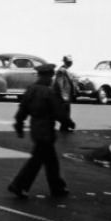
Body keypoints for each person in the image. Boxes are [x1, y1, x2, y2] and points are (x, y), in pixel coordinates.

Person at [8, 63, 71, 199]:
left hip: (35, 128)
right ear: (48, 76)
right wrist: (68, 122)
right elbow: (58, 111)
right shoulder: (48, 92)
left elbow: (22, 110)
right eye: (50, 76)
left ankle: (57, 187)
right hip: (46, 130)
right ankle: (19, 185)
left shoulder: (31, 90)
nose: (51, 79)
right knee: (37, 161)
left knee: (50, 161)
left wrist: (19, 124)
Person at [53, 55, 77, 133]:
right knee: (64, 112)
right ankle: (68, 125)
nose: (70, 63)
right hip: (64, 95)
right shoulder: (61, 70)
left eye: (71, 62)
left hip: (67, 94)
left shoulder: (66, 70)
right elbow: (59, 83)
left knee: (66, 112)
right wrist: (63, 95)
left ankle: (65, 127)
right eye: (69, 62)